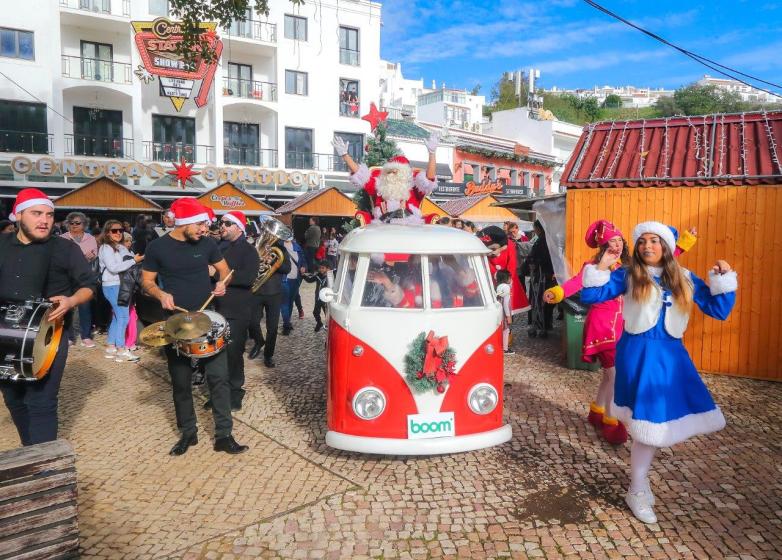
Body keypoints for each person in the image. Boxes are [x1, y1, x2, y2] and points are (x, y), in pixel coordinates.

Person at [581, 221, 736, 524]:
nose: (647, 246)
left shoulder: (685, 277)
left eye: (654, 241)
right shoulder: (627, 274)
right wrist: (601, 265)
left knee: (657, 421)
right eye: (642, 241)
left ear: (665, 246)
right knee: (648, 425)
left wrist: (723, 279)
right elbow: (591, 296)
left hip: (671, 356)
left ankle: (639, 484)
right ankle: (637, 488)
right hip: (639, 354)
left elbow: (719, 310)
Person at [141, 197, 249, 456]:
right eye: (200, 223)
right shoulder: (158, 247)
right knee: (181, 381)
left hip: (208, 318)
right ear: (185, 223)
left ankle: (224, 435)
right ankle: (188, 434)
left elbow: (225, 271)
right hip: (177, 322)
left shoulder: (208, 244)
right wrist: (160, 294)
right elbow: (147, 281)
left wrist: (222, 283)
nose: (205, 229)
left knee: (219, 379)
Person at [0, 188, 96, 445]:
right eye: (36, 213)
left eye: (49, 215)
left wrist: (72, 300)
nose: (44, 220)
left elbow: (89, 285)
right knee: (13, 399)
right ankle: (29, 450)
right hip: (4, 335)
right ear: (18, 215)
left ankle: (44, 468)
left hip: (50, 335)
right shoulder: (1, 245)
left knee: (41, 401)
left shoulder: (65, 248)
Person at [201, 210, 260, 412]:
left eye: (226, 223)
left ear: (238, 227)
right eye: (221, 223)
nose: (222, 226)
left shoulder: (249, 251)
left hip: (237, 311)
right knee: (214, 355)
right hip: (217, 310)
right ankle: (217, 394)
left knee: (233, 355)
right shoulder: (219, 248)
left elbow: (248, 278)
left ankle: (236, 393)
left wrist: (217, 273)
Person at [334, 132, 440, 225]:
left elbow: (429, 179)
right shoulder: (379, 186)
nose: (390, 175)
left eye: (395, 172)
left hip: (410, 230)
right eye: (388, 172)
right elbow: (360, 175)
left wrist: (432, 153)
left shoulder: (414, 187)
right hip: (382, 230)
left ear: (404, 174)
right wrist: (345, 155)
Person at [247, 220, 291, 367]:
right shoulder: (255, 247)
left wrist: (272, 262)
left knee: (272, 328)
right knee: (252, 322)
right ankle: (259, 341)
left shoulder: (281, 249)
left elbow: (287, 268)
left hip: (274, 293)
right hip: (256, 290)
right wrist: (258, 259)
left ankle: (268, 355)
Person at [98, 220, 143, 362]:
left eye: (120, 230)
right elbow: (113, 267)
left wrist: (134, 258)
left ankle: (111, 345)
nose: (118, 233)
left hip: (121, 285)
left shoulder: (119, 247)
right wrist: (133, 261)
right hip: (112, 285)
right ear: (107, 232)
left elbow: (129, 257)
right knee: (123, 316)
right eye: (114, 230)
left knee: (118, 316)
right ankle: (121, 349)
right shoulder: (106, 248)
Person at [60, 211, 98, 348]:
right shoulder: (62, 238)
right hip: (67, 278)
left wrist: (79, 257)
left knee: (85, 307)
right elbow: (61, 258)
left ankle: (86, 336)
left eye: (78, 223)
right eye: (72, 223)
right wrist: (81, 257)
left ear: (84, 224)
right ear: (67, 224)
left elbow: (93, 255)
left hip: (84, 277)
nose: (74, 225)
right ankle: (69, 336)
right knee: (67, 307)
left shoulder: (90, 238)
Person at [527, 220, 555, 338]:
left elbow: (535, 257)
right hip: (548, 274)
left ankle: (540, 324)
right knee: (547, 300)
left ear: (539, 228)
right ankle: (546, 323)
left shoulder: (541, 242)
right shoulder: (550, 240)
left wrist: (531, 264)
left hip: (542, 274)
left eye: (535, 228)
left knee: (540, 300)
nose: (535, 231)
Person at [281, 237, 307, 336]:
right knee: (284, 302)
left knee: (290, 302)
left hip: (296, 279)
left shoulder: (297, 247)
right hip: (284, 278)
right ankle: (286, 325)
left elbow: (303, 260)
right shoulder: (279, 245)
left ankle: (287, 322)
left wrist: (304, 267)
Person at [119, 232, 140, 352]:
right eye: (127, 241)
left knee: (124, 315)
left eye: (130, 241)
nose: (129, 243)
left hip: (125, 288)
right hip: (126, 288)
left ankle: (126, 342)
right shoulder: (126, 254)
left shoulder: (129, 253)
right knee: (130, 315)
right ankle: (129, 343)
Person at [302, 260, 334, 331]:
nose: (321, 269)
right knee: (315, 312)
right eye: (320, 268)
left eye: (323, 268)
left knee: (327, 314)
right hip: (318, 298)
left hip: (327, 299)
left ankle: (329, 327)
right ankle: (319, 323)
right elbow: (310, 280)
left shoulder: (331, 277)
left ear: (328, 269)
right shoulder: (318, 276)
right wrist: (303, 275)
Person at [496, 270, 513, 355]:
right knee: (506, 330)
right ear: (507, 278)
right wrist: (508, 316)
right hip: (504, 313)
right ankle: (505, 349)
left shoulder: (498, 286)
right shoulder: (506, 287)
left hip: (499, 311)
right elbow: (506, 303)